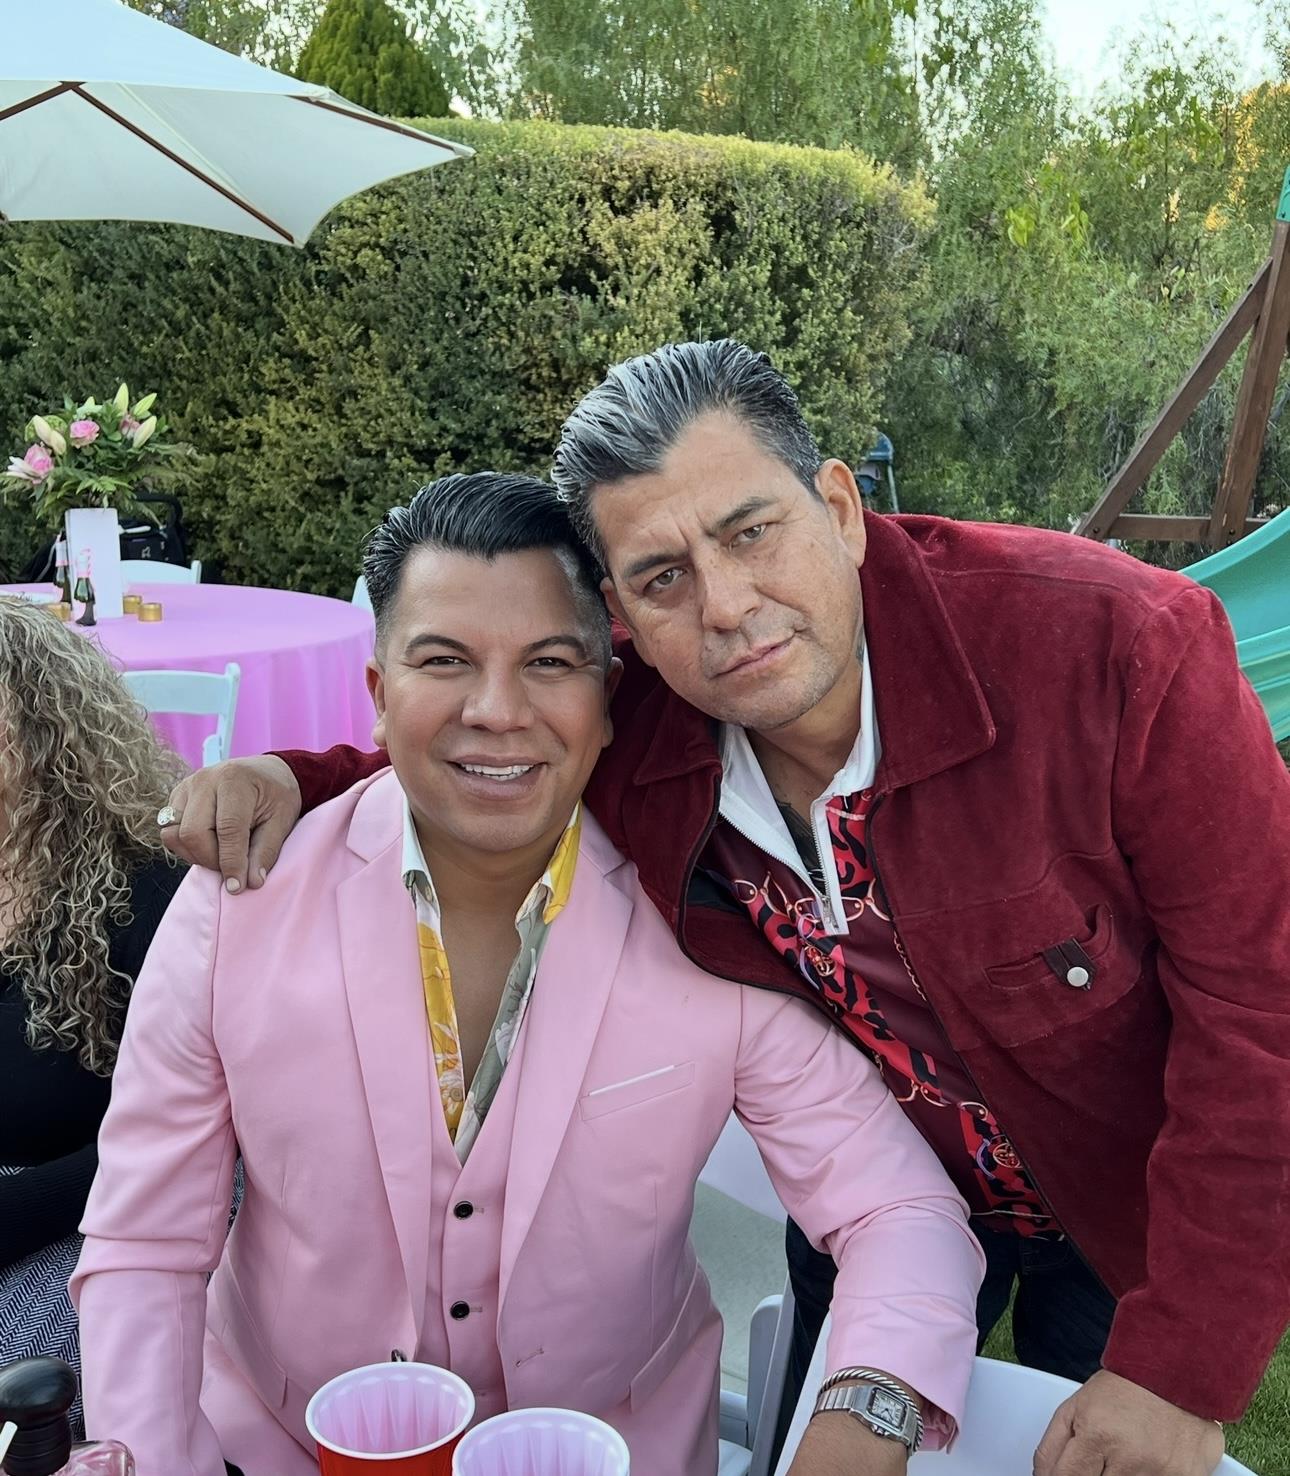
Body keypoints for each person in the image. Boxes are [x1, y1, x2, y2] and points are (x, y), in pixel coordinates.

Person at [163, 342, 1290, 1476]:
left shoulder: (1117, 649)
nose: (727, 608)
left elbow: (1265, 1009)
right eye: (663, 577)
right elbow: (482, 745)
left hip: (1127, 1195)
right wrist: (293, 780)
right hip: (873, 1185)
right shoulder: (648, 725)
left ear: (839, 507)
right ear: (622, 618)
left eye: (752, 532)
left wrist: (1180, 1367)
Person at [73, 473, 984, 1476]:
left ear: (607, 701)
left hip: (621, 1449)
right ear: (378, 696)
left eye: (549, 662)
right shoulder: (239, 905)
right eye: (444, 661)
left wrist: (862, 1425)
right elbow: (146, 1244)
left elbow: (898, 1209)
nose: (498, 711)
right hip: (282, 1446)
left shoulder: (707, 923)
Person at [0, 598, 184, 1405]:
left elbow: (196, 1137)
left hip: (88, 1219)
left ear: (46, 726)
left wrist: (17, 1208)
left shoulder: (149, 893)